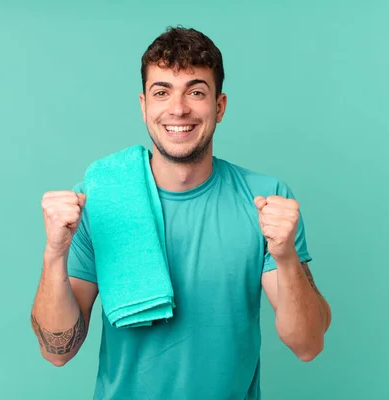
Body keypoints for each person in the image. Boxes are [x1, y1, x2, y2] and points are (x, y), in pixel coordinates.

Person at [31, 26, 331, 399]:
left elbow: (308, 344)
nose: (178, 108)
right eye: (162, 92)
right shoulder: (100, 199)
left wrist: (286, 258)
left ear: (218, 107)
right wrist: (54, 253)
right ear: (143, 106)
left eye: (196, 91)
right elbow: (57, 351)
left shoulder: (265, 200)